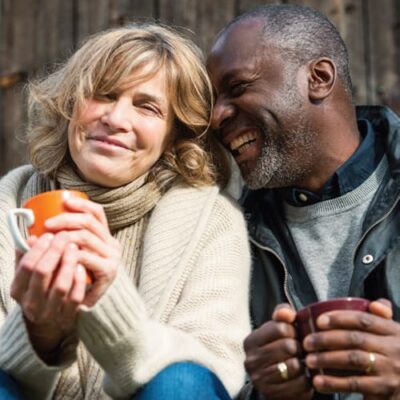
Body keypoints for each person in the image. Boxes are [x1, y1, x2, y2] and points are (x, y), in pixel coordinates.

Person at [0, 23, 251, 400]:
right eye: (102, 95)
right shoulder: (9, 204)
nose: (116, 120)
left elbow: (217, 371)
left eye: (146, 106)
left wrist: (109, 301)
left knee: (182, 379)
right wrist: (38, 331)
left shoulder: (211, 221)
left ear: (174, 135)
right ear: (70, 105)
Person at [207, 4, 400, 400]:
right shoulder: (227, 236)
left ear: (319, 78)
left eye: (238, 87)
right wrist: (264, 394)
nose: (215, 117)